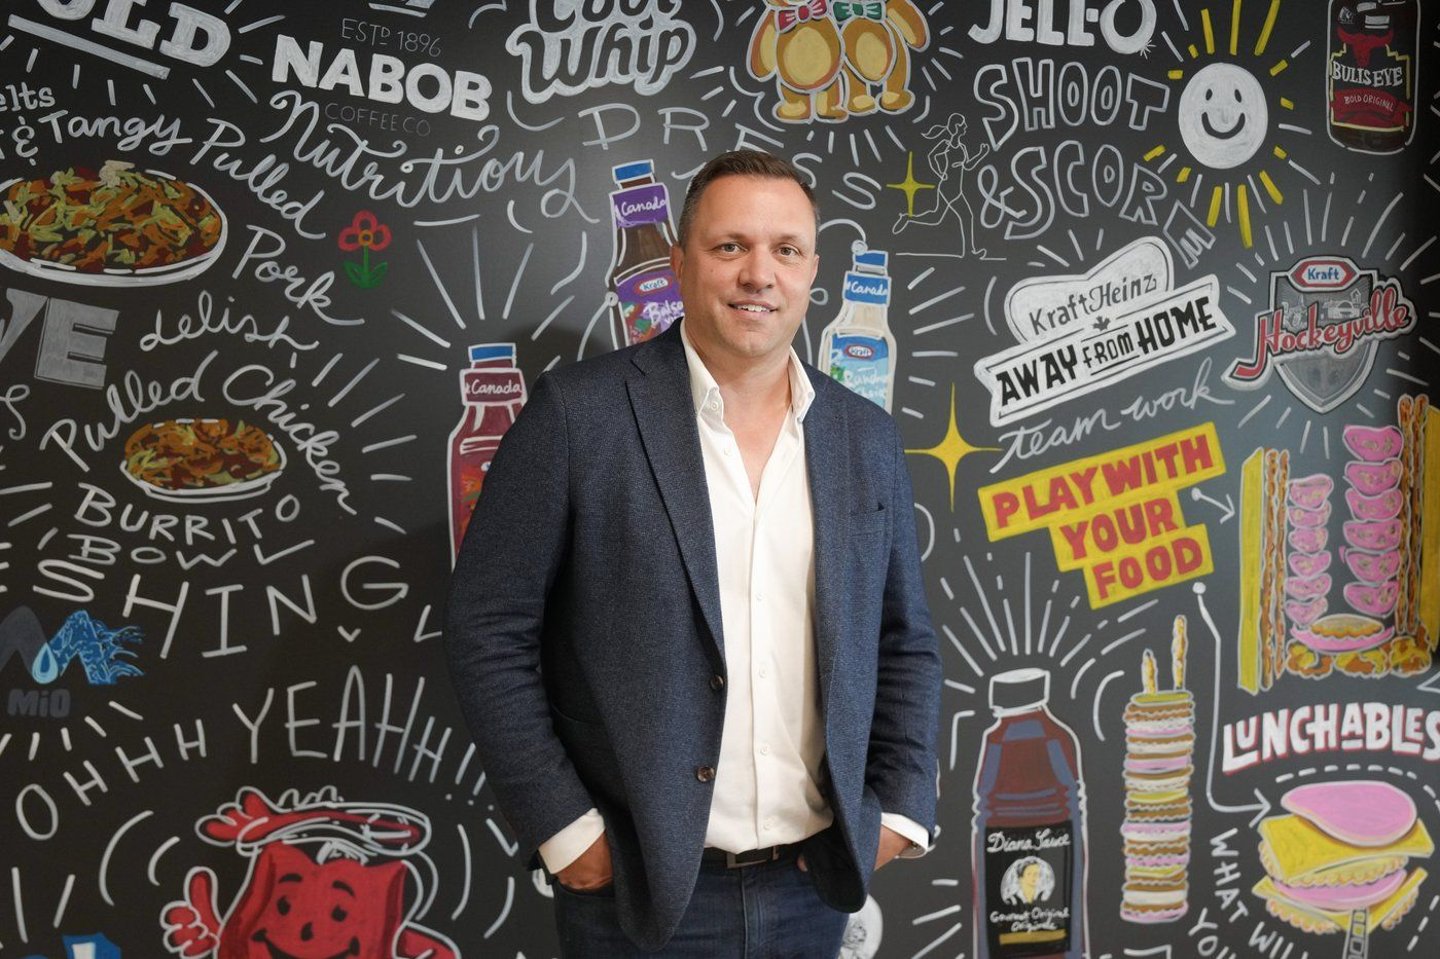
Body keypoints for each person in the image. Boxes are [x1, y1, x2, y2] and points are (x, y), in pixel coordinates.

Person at [445, 149, 941, 957]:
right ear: (678, 263)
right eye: (729, 246)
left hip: (814, 887)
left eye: (785, 250)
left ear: (813, 271)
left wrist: (897, 810)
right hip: (637, 893)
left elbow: (904, 639)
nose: (758, 274)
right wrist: (566, 832)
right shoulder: (578, 416)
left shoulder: (864, 435)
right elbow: (486, 629)